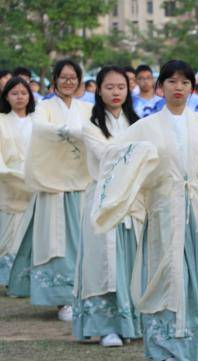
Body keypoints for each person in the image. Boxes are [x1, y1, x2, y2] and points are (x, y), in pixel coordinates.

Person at [90, 60, 198, 360]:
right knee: (164, 281)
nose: (178, 87)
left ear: (192, 88)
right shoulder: (145, 127)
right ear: (161, 87)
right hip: (163, 216)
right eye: (171, 81)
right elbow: (113, 157)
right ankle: (166, 351)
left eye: (185, 82)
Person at [7, 59, 93, 323]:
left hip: (81, 184)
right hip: (51, 186)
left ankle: (82, 295)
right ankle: (61, 300)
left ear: (79, 81)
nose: (68, 82)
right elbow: (41, 132)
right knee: (55, 243)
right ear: (54, 80)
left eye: (73, 77)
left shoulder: (87, 108)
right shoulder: (43, 108)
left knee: (82, 242)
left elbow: (94, 135)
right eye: (63, 77)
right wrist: (74, 133)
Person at [72, 66, 141, 347]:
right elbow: (106, 156)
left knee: (131, 261)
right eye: (109, 87)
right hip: (102, 200)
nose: (116, 92)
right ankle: (107, 326)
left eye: (121, 87)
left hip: (131, 201)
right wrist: (138, 151)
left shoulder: (137, 122)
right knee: (103, 264)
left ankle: (131, 323)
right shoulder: (90, 126)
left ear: (128, 90)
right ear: (98, 90)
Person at [0, 77, 35, 285]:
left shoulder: (37, 121)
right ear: (6, 97)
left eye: (24, 93)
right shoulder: (1, 121)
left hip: (33, 179)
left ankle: (24, 278)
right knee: (8, 227)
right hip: (7, 180)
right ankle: (6, 277)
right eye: (14, 93)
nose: (20, 97)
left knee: (27, 227)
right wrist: (6, 173)